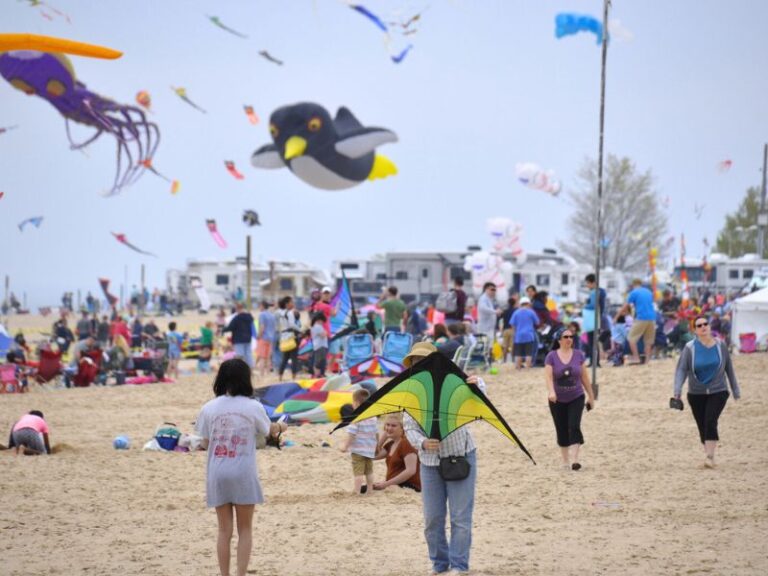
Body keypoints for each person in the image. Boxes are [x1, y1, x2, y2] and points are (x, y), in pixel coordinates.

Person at [196, 359, 287, 576]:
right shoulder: (253, 406)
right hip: (243, 472)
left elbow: (205, 443)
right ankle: (240, 574)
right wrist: (281, 426)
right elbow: (268, 431)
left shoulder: (208, 408)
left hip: (217, 472)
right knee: (245, 529)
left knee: (223, 531)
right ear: (246, 379)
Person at [403, 341, 485, 575]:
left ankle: (459, 565)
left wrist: (478, 384)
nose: (420, 365)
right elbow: (409, 427)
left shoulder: (455, 382)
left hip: (461, 455)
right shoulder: (410, 392)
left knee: (461, 517)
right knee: (432, 520)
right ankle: (440, 564)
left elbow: (480, 404)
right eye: (416, 362)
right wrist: (422, 442)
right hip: (429, 462)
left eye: (424, 361)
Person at [673, 315, 741, 468]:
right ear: (695, 330)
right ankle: (709, 453)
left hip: (719, 390)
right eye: (699, 325)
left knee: (710, 420)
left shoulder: (720, 345)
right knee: (701, 424)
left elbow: (729, 368)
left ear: (710, 327)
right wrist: (677, 391)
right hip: (696, 393)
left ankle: (709, 456)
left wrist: (735, 390)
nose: (703, 327)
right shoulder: (690, 348)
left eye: (705, 323)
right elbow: (681, 370)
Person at [544, 327, 596, 471]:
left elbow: (584, 377)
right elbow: (548, 377)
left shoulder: (579, 355)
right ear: (559, 339)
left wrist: (591, 397)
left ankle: (575, 460)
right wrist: (551, 391)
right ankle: (565, 461)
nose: (569, 339)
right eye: (565, 337)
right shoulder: (551, 356)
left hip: (576, 396)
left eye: (571, 337)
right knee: (561, 428)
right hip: (557, 399)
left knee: (574, 425)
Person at [338, 388, 378, 494]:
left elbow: (351, 435)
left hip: (358, 451)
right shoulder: (373, 418)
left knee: (358, 472)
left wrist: (344, 446)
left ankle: (357, 491)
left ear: (355, 403)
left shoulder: (356, 420)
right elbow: (376, 433)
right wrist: (377, 446)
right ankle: (370, 489)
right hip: (369, 449)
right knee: (369, 471)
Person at [373, 413, 421, 492]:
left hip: (409, 486)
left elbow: (411, 471)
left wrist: (385, 484)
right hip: (394, 484)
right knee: (365, 488)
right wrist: (384, 437)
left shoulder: (406, 443)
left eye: (393, 426)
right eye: (387, 425)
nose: (389, 428)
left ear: (403, 428)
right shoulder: (391, 444)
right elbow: (373, 456)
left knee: (366, 490)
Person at [616, 279, 657, 365]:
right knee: (648, 341)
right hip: (652, 318)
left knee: (631, 338)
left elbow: (626, 306)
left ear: (633, 285)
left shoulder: (634, 292)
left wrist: (616, 317)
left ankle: (636, 357)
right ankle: (647, 360)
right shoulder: (649, 292)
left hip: (641, 317)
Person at [583, 274, 609, 367]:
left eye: (588, 283)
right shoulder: (602, 291)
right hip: (598, 317)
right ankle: (595, 361)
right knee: (595, 341)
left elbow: (593, 305)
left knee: (591, 341)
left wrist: (585, 305)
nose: (587, 285)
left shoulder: (594, 292)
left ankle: (593, 362)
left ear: (593, 282)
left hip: (593, 318)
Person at [222, 303, 256, 369]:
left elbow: (230, 327)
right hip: (248, 338)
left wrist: (222, 330)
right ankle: (250, 369)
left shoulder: (236, 318)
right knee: (248, 355)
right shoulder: (249, 317)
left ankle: (239, 369)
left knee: (239, 355)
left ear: (237, 309)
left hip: (238, 339)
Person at [510, 297, 540, 369]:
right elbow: (537, 322)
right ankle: (528, 367)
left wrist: (515, 331)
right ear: (528, 304)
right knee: (528, 353)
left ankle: (518, 367)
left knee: (518, 353)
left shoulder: (516, 312)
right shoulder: (531, 312)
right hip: (529, 335)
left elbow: (512, 324)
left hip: (519, 335)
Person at [276, 296, 301, 380]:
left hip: (283, 337)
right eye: (291, 302)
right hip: (291, 337)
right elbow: (292, 325)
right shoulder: (289, 313)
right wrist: (300, 330)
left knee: (285, 358)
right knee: (294, 358)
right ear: (287, 304)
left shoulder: (280, 313)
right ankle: (294, 376)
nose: (293, 304)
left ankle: (280, 376)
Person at [256, 301, 276, 377]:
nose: (259, 307)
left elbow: (262, 327)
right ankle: (268, 374)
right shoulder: (272, 315)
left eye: (260, 306)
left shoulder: (262, 314)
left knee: (262, 357)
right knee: (268, 357)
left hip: (263, 338)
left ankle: (262, 374)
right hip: (271, 338)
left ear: (262, 306)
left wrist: (258, 336)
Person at [310, 313, 329, 377]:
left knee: (321, 361)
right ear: (319, 320)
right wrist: (326, 332)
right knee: (319, 362)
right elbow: (323, 335)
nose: (323, 322)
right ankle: (317, 375)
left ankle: (320, 374)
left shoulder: (316, 326)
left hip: (320, 346)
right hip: (320, 346)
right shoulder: (317, 326)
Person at [500, 296, 517, 363]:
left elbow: (500, 317)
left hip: (505, 329)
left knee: (505, 346)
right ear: (514, 303)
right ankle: (513, 360)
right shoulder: (516, 311)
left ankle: (504, 360)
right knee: (513, 346)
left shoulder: (505, 311)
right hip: (512, 329)